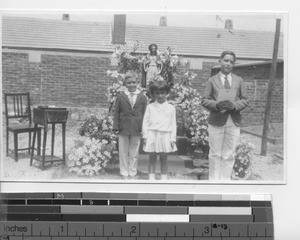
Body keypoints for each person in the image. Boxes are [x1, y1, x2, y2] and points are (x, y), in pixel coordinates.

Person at [201, 51, 248, 181]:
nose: (228, 64)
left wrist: (234, 106)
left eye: (231, 62)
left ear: (234, 64)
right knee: (215, 153)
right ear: (220, 61)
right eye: (226, 60)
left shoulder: (239, 80)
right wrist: (217, 105)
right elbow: (204, 99)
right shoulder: (212, 80)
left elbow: (245, 99)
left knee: (229, 154)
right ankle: (214, 182)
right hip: (216, 121)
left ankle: (225, 182)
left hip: (233, 121)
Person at [113, 70, 148, 179]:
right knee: (123, 151)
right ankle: (124, 172)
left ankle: (132, 172)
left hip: (137, 128)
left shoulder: (142, 97)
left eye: (134, 82)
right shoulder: (121, 96)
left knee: (134, 151)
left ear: (137, 83)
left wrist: (144, 128)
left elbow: (145, 114)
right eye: (129, 83)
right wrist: (115, 126)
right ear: (125, 84)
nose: (131, 85)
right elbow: (116, 112)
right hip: (123, 127)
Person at [142, 80, 177, 180]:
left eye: (162, 93)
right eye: (157, 93)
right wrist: (145, 136)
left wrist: (172, 138)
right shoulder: (150, 107)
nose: (160, 95)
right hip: (152, 134)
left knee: (164, 157)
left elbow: (173, 124)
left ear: (166, 93)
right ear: (153, 94)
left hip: (165, 134)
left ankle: (163, 178)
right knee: (152, 156)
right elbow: (145, 122)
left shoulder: (171, 108)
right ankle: (151, 178)